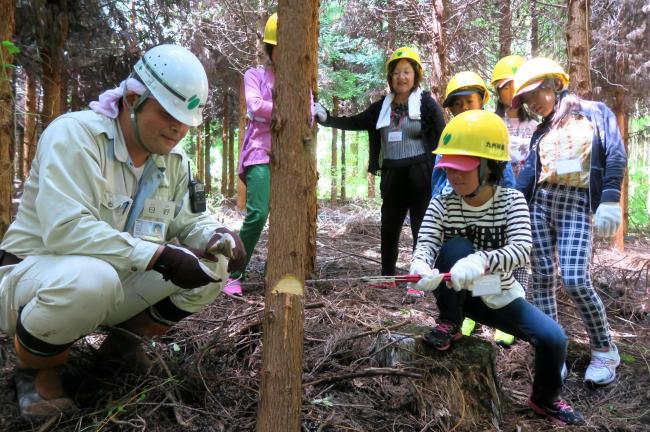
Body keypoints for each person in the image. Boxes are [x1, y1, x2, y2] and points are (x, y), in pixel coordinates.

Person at [0, 44, 246, 420]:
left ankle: (120, 350)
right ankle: (37, 371)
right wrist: (160, 255)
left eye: (185, 121)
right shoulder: (75, 137)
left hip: (111, 281)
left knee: (214, 269)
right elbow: (64, 230)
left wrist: (215, 236)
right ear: (133, 98)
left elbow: (188, 220)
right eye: (167, 114)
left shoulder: (174, 161)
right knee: (90, 279)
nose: (177, 129)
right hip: (33, 279)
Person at [409, 110, 584, 426]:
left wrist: (481, 261)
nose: (454, 177)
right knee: (455, 248)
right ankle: (450, 321)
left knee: (554, 338)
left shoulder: (512, 201)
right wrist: (421, 266)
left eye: (463, 169)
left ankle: (545, 399)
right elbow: (427, 243)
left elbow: (521, 249)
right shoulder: (442, 202)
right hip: (457, 292)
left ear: (490, 167)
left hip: (497, 291)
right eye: (449, 169)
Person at [512, 57, 627, 386]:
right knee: (542, 277)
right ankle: (553, 352)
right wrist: (514, 206)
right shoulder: (540, 130)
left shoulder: (593, 112)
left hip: (576, 202)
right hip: (541, 204)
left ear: (552, 84)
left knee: (576, 278)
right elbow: (531, 175)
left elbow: (615, 153)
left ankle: (605, 349)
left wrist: (609, 197)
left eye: (535, 94)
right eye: (526, 99)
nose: (531, 103)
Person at [314, 47, 445, 288]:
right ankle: (388, 277)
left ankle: (419, 279)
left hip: (421, 174)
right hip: (393, 174)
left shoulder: (426, 103)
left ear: (416, 75)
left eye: (406, 72)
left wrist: (443, 175)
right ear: (390, 78)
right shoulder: (382, 107)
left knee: (421, 229)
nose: (401, 77)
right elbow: (355, 121)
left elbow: (442, 136)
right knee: (389, 226)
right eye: (396, 73)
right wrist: (327, 118)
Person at [432, 71, 516, 342]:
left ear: (482, 101)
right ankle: (458, 316)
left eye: (469, 101)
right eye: (457, 104)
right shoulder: (448, 141)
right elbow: (437, 186)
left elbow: (508, 186)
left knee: (490, 270)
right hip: (458, 224)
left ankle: (495, 315)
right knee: (456, 262)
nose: (464, 108)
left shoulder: (493, 139)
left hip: (490, 225)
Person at [225, 13, 278, 296]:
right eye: (277, 45)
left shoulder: (299, 78)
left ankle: (277, 270)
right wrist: (285, 111)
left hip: (288, 157)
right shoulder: (254, 75)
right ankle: (233, 272)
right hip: (259, 152)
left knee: (283, 215)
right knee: (258, 213)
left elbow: (307, 113)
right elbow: (255, 106)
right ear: (270, 49)